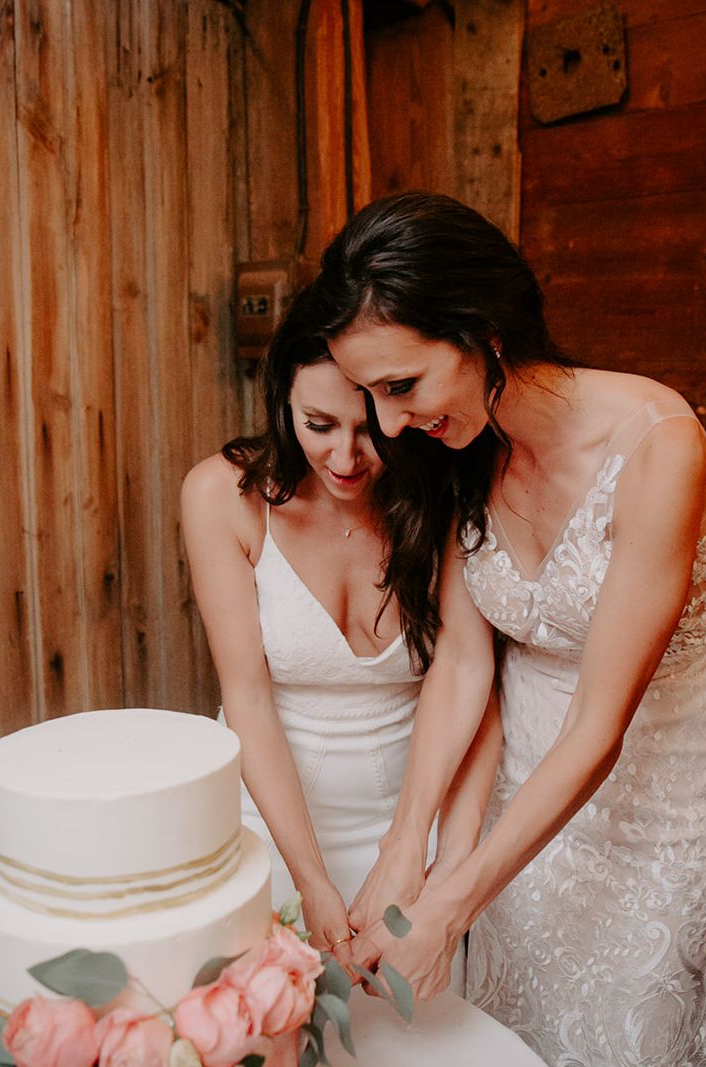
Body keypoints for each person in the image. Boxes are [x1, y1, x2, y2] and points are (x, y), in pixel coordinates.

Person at [308, 191, 706, 1066]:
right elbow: (464, 667)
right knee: (511, 1024)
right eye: (368, 395)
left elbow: (599, 725)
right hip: (517, 793)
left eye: (402, 386)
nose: (388, 425)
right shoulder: (460, 453)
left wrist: (450, 902)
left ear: (484, 328)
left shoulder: (658, 446)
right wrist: (408, 847)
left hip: (653, 798)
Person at [180, 288, 499, 977]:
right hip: (271, 819)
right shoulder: (220, 497)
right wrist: (312, 880)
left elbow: (468, 670)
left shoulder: (441, 491)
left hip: (415, 818)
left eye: (370, 432)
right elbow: (248, 697)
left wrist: (415, 849)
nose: (347, 457)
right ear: (282, 404)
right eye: (318, 424)